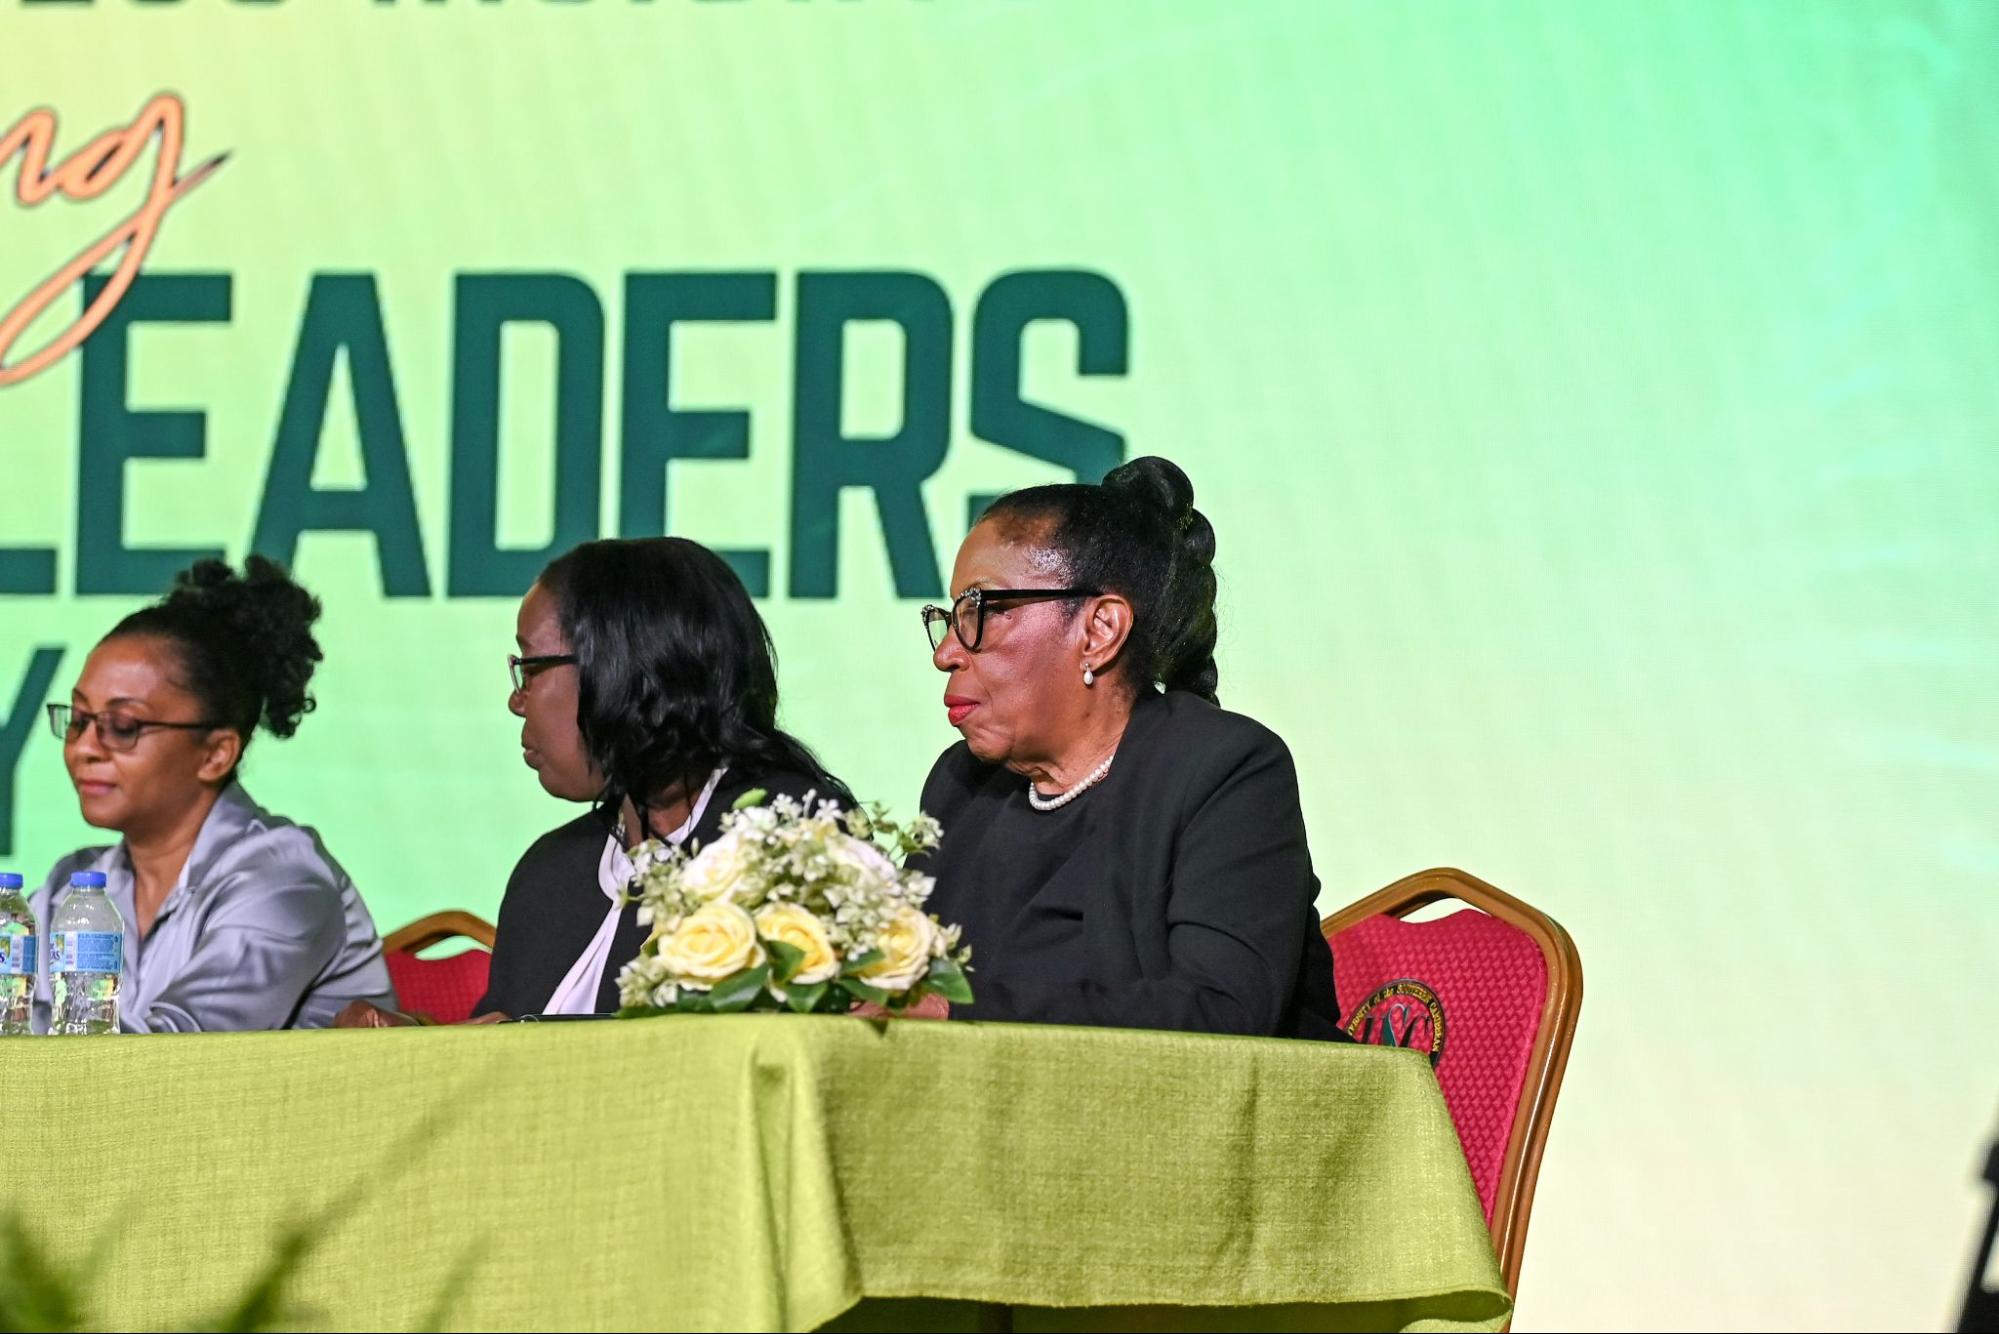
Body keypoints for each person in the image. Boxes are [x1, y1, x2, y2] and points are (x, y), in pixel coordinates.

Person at [914, 456, 1345, 1039]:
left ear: (1099, 631)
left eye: (982, 611)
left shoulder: (1226, 768)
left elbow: (1221, 1012)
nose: (947, 652)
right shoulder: (961, 785)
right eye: (951, 617)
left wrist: (956, 1010)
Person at [339, 538, 847, 1026]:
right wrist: (411, 1035)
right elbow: (498, 1052)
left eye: (531, 668)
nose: (518, 700)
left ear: (628, 672)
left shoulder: (789, 840)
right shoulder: (551, 871)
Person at [34, 556, 394, 1032]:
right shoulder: (74, 884)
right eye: (79, 719)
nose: (84, 747)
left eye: (122, 726)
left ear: (216, 754)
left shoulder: (283, 878)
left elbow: (180, 1057)